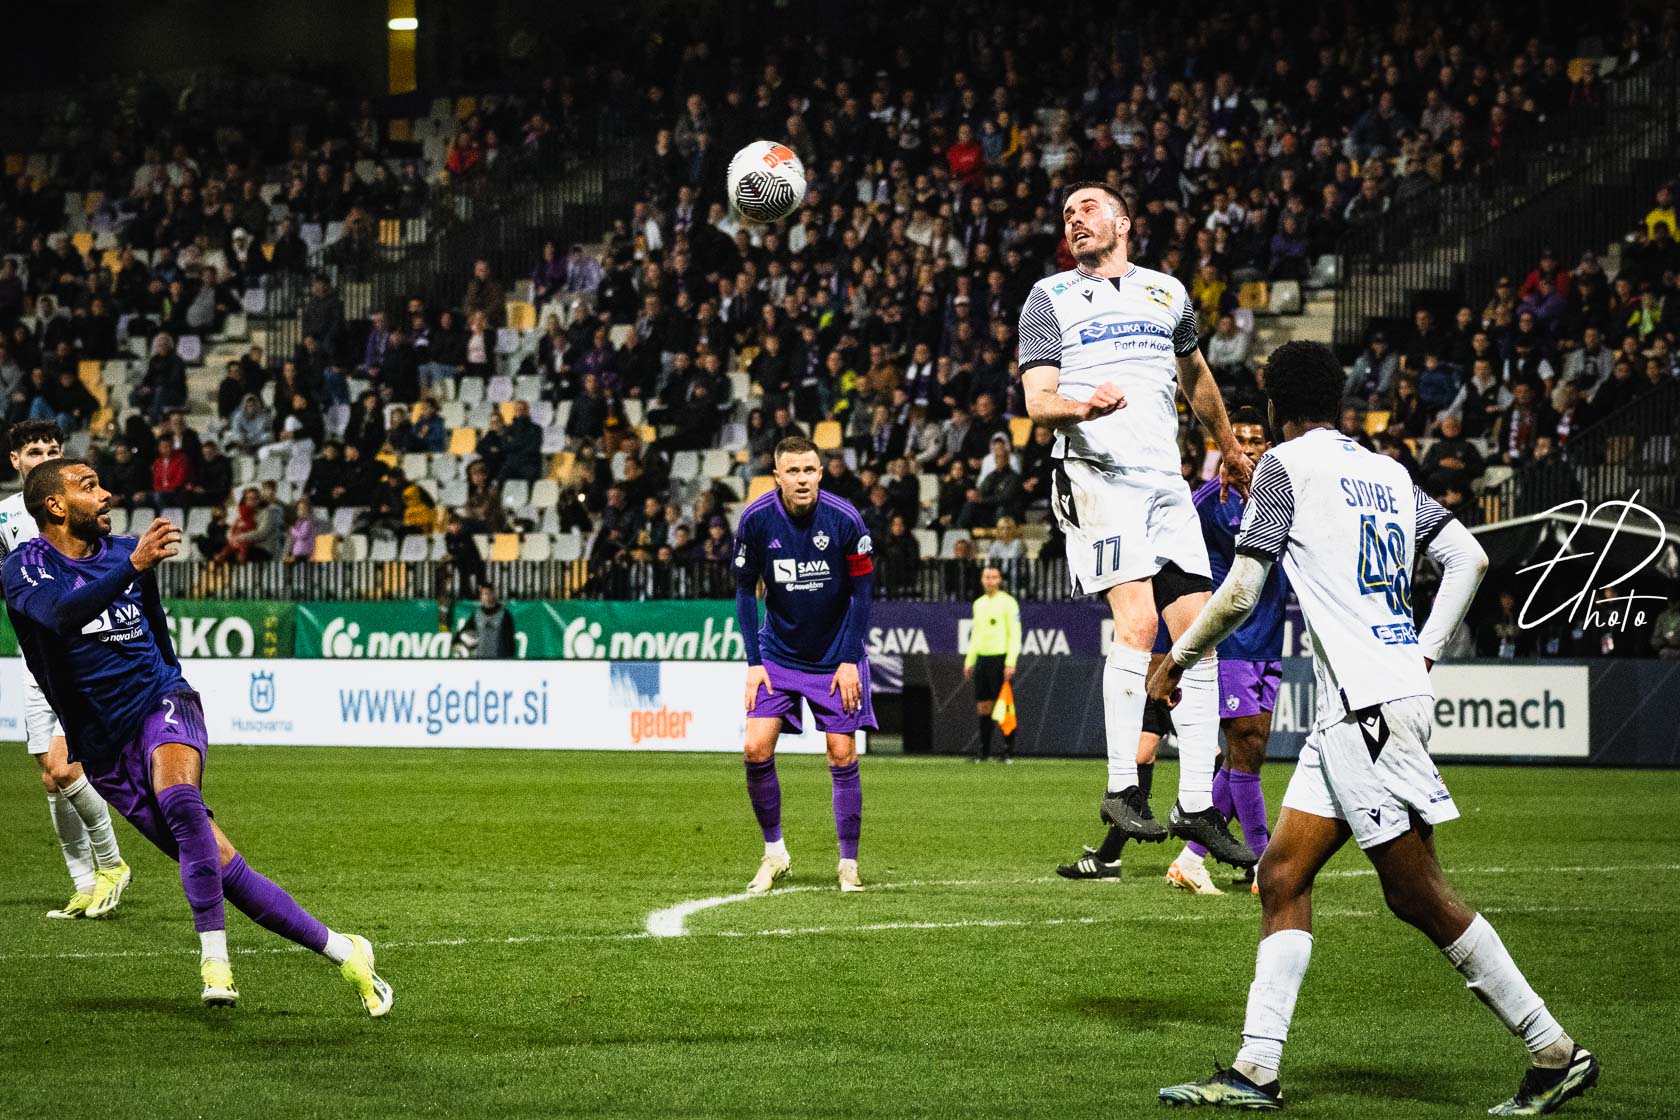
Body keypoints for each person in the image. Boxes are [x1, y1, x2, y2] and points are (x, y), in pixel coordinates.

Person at [1150, 341, 1595, 1115]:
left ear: (1277, 405)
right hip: (1363, 706)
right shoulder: (1387, 471)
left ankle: (1553, 1050)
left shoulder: (1285, 468)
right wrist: (1424, 651)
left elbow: (1243, 590)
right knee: (1281, 877)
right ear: (1337, 401)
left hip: (1366, 712)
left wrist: (1178, 658)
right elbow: (1466, 557)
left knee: (1418, 894)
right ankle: (1255, 1070)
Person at [3, 459, 393, 1015]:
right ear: (56, 506)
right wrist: (133, 566)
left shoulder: (125, 553)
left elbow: (157, 634)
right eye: (89, 487)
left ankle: (215, 962)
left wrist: (171, 679)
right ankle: (344, 951)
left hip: (160, 700)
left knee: (181, 801)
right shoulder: (26, 567)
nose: (106, 494)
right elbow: (61, 616)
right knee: (218, 861)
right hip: (105, 747)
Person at [1018, 182, 1257, 871]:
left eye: (1088, 208)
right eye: (1067, 214)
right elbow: (1037, 400)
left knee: (1199, 636)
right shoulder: (1050, 297)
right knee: (1140, 623)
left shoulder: (1167, 292)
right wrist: (1082, 406)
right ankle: (1123, 787)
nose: (1075, 219)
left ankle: (1196, 804)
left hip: (1163, 482)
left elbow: (1196, 375)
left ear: (1123, 221)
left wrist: (1229, 448)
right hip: (1096, 475)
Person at [734, 435, 875, 895]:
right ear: (777, 475)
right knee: (755, 748)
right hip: (777, 653)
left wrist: (850, 659)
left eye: (809, 470)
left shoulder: (845, 519)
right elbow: (744, 591)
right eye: (792, 471)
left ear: (820, 473)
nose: (802, 479)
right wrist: (754, 663)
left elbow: (863, 593)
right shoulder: (756, 520)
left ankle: (848, 863)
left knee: (842, 754)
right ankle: (775, 853)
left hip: (835, 656)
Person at [0, 421, 131, 918]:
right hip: (36, 659)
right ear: (15, 460)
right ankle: (85, 884)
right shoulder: (4, 519)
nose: (46, 457)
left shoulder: (77, 503)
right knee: (51, 778)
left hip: (84, 654)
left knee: (64, 767)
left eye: (53, 449)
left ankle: (112, 865)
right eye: (35, 451)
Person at [1166, 408, 1288, 896]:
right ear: (1224, 446)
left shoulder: (1281, 497)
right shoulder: (1206, 502)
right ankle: (1262, 863)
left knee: (1245, 754)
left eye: (1257, 440)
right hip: (1230, 640)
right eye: (1240, 439)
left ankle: (1191, 859)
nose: (1249, 447)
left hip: (1269, 638)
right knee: (1247, 747)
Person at [963, 563, 1021, 763]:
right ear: (982, 580)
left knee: (1003, 705)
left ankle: (1008, 751)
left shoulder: (1008, 603)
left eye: (993, 577)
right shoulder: (978, 604)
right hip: (982, 658)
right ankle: (984, 752)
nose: (990, 581)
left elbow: (1015, 634)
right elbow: (976, 635)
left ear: (999, 580)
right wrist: (970, 661)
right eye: (986, 577)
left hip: (1000, 658)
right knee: (983, 706)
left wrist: (1010, 662)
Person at [461, 584, 516, 658]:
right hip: (480, 657)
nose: (484, 596)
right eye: (482, 594)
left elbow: (510, 638)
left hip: (500, 658)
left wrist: (509, 656)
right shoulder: (477, 614)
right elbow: (465, 631)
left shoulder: (505, 614)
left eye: (487, 593)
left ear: (493, 594)